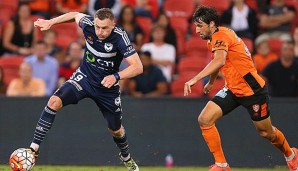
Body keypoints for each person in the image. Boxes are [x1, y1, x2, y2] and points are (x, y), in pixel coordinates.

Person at [184, 6, 298, 171]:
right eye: (196, 26)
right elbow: (219, 62)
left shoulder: (221, 35)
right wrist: (211, 81)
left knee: (266, 133)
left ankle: (291, 155)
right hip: (232, 89)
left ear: (212, 24)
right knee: (205, 119)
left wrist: (195, 79)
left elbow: (219, 61)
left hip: (252, 91)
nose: (197, 30)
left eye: (200, 25)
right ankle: (222, 165)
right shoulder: (214, 38)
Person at [30, 8, 143, 171]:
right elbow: (75, 15)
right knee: (54, 101)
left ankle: (126, 158)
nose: (100, 32)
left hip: (107, 87)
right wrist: (51, 22)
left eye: (104, 28)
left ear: (113, 25)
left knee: (116, 129)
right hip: (85, 78)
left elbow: (138, 67)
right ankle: (33, 149)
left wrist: (116, 77)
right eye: (97, 27)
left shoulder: (120, 37)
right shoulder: (88, 24)